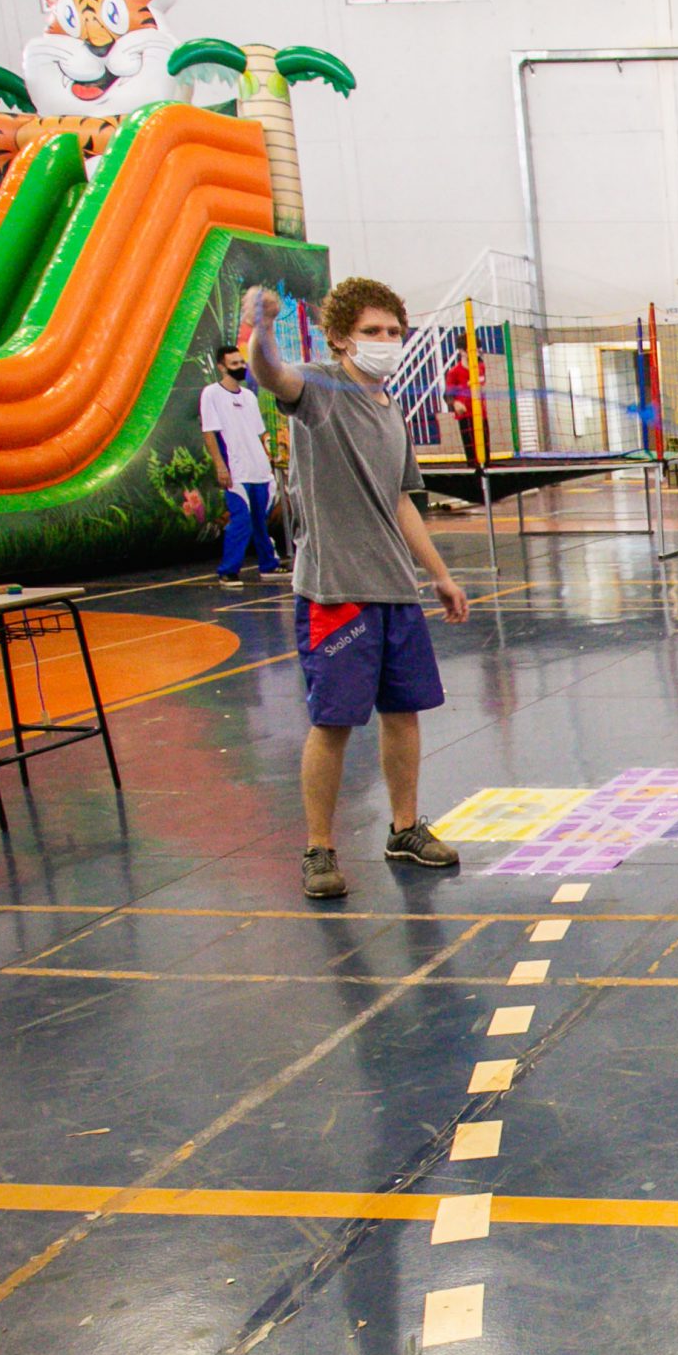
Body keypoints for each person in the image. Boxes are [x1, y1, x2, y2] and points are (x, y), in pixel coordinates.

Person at [245, 278, 470, 900]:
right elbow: (270, 373)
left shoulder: (390, 408)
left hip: (395, 589)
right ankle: (319, 849)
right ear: (340, 338)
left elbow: (400, 500)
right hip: (337, 593)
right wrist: (260, 331)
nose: (386, 341)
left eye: (394, 331)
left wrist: (439, 574)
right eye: (372, 331)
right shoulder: (320, 388)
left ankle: (405, 829)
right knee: (333, 722)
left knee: (404, 714)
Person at [200, 344, 282, 588]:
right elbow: (209, 432)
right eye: (234, 364)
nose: (240, 367)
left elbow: (259, 433)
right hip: (236, 470)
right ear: (222, 367)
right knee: (241, 519)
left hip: (259, 469)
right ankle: (228, 571)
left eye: (241, 362)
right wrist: (220, 466)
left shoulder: (249, 396)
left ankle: (268, 565)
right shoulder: (211, 394)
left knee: (260, 519)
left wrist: (269, 458)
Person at [441, 353, 481, 464]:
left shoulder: (480, 368)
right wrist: (455, 403)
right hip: (466, 415)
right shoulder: (455, 372)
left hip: (481, 415)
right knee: (472, 453)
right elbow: (447, 395)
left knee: (483, 450)